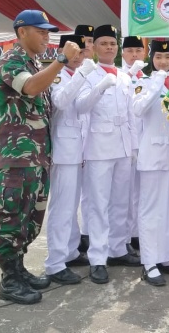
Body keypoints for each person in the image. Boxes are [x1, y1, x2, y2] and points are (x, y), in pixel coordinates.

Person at [0, 9, 80, 305]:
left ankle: (18, 268)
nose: (46, 36)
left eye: (47, 31)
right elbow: (30, 87)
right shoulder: (11, 59)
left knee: (31, 218)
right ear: (21, 32)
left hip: (38, 156)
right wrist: (62, 60)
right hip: (18, 156)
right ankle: (9, 279)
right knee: (12, 215)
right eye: (40, 30)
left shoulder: (36, 63)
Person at [76, 24, 141, 286]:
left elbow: (131, 116)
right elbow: (80, 106)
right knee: (98, 204)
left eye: (113, 43)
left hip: (123, 146)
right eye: (104, 43)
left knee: (121, 201)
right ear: (94, 47)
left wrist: (134, 147)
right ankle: (98, 258)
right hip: (99, 146)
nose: (109, 47)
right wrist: (100, 86)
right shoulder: (87, 72)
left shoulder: (125, 76)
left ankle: (117, 249)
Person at [44, 34, 96, 286]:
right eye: (74, 51)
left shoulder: (78, 75)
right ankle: (55, 263)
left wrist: (97, 86)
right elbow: (61, 102)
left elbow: (82, 109)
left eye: (82, 51)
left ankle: (71, 252)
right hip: (64, 151)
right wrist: (82, 75)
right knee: (62, 208)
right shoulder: (56, 75)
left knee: (72, 205)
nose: (79, 56)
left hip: (79, 149)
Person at [132, 40, 169, 286]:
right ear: (152, 59)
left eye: (167, 57)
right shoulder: (142, 83)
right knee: (150, 210)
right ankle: (149, 262)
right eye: (159, 57)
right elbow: (138, 110)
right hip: (152, 155)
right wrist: (156, 81)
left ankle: (165, 256)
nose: (163, 62)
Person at [121, 34, 148, 254]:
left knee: (141, 191)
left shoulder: (148, 78)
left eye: (138, 51)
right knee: (126, 192)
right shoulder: (120, 75)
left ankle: (138, 233)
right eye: (130, 51)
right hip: (125, 142)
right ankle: (126, 236)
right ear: (123, 54)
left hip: (145, 142)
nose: (134, 55)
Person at [72, 25, 95, 255]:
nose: (87, 46)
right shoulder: (67, 71)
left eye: (90, 41)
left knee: (92, 195)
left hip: (95, 143)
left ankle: (87, 235)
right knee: (70, 199)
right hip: (71, 144)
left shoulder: (99, 71)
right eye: (84, 41)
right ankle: (73, 243)